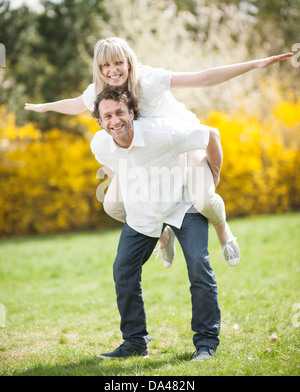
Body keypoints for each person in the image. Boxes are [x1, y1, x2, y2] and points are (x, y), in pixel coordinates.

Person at [25, 37, 292, 267]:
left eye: (118, 62)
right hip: (146, 157)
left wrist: (255, 64)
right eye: (105, 65)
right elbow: (75, 104)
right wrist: (44, 107)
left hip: (182, 146)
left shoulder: (149, 80)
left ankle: (223, 232)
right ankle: (164, 236)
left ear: (129, 62)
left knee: (203, 200)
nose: (112, 70)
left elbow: (205, 78)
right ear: (98, 68)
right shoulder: (99, 91)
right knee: (113, 205)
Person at [91, 86, 222, 361]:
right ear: (100, 121)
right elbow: (113, 165)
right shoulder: (99, 144)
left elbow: (211, 134)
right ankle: (135, 341)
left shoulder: (161, 132)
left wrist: (214, 177)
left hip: (182, 205)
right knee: (123, 269)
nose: (115, 121)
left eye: (120, 113)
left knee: (198, 264)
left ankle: (206, 342)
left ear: (132, 113)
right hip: (144, 212)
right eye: (108, 116)